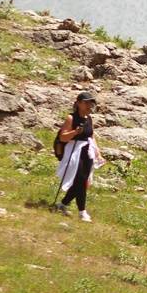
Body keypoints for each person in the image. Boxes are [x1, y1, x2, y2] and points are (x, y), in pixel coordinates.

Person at [54, 91, 105, 222]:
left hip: (88, 152)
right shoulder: (71, 118)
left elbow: (91, 135)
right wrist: (75, 132)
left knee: (83, 181)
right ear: (78, 103)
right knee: (81, 182)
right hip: (75, 151)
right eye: (86, 102)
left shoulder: (89, 119)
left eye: (90, 102)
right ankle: (82, 212)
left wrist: (97, 152)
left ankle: (63, 204)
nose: (89, 105)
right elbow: (63, 137)